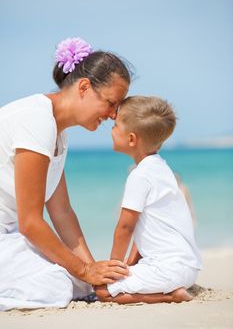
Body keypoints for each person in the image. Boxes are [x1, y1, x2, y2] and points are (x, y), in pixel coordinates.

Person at [0, 37, 131, 311]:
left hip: (8, 235)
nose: (113, 115)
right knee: (59, 286)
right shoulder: (36, 121)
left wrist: (92, 273)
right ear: (84, 87)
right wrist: (84, 270)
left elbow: (62, 213)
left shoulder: (58, 133)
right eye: (110, 103)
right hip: (10, 234)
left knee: (80, 284)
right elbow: (31, 223)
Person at [95, 96, 203, 304]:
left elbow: (125, 227)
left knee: (102, 290)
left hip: (167, 271)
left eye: (116, 126)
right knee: (127, 274)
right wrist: (132, 261)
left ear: (132, 139)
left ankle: (171, 296)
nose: (111, 129)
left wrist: (113, 268)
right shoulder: (161, 168)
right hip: (186, 268)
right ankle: (170, 290)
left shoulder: (139, 176)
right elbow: (144, 225)